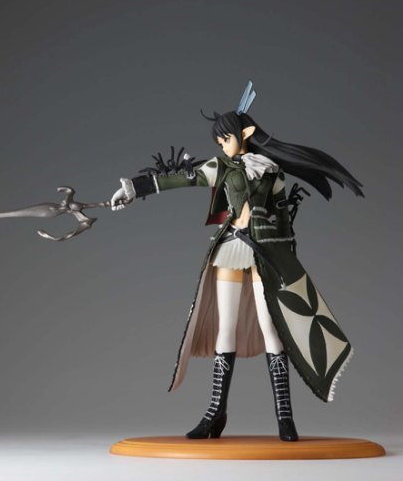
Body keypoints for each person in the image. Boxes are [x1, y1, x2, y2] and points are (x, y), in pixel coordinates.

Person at [110, 81, 364, 441]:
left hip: (265, 251)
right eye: (218, 141)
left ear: (243, 134)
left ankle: (285, 416)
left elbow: (283, 218)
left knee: (272, 328)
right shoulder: (220, 167)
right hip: (230, 248)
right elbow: (183, 178)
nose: (221, 145)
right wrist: (134, 189)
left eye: (225, 138)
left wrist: (284, 256)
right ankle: (215, 412)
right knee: (225, 327)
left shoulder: (270, 170)